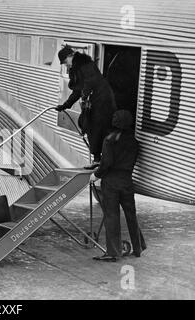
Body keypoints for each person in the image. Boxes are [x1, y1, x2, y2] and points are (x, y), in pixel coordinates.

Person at [90, 110, 147, 262]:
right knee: (131, 215)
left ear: (114, 122)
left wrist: (96, 175)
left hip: (111, 183)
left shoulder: (110, 140)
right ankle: (138, 247)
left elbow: (106, 163)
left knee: (112, 216)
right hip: (127, 182)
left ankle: (113, 252)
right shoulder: (135, 142)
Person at [56, 45, 117, 169]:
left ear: (70, 56)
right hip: (93, 101)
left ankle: (100, 159)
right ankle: (97, 159)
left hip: (103, 101)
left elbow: (91, 81)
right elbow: (77, 91)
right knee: (88, 125)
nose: (65, 65)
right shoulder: (77, 68)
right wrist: (65, 105)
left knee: (98, 127)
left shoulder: (85, 63)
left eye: (65, 61)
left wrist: (85, 93)